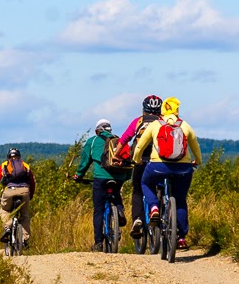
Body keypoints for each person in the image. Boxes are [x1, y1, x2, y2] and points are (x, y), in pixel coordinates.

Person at [132, 96, 202, 250]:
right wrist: (197, 161)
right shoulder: (185, 125)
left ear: (162, 110)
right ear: (177, 110)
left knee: (145, 183)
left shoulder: (156, 124)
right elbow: (195, 147)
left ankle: (154, 208)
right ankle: (181, 237)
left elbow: (140, 145)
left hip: (158, 166)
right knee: (181, 200)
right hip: (183, 168)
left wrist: (137, 159)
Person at [73, 119, 131, 252]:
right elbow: (128, 160)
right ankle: (119, 210)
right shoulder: (119, 140)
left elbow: (85, 161)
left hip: (101, 178)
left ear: (97, 130)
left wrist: (79, 175)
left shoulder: (93, 141)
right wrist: (126, 177)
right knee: (116, 194)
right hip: (119, 177)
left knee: (98, 210)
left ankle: (98, 243)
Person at [118, 94, 163, 238]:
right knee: (159, 187)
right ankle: (162, 213)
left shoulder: (138, 122)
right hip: (159, 161)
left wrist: (116, 155)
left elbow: (124, 139)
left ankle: (138, 218)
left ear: (144, 109)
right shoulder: (163, 122)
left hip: (141, 161)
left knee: (138, 190)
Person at [0, 147, 36, 247]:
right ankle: (25, 239)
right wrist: (30, 195)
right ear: (19, 156)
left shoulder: (4, 165)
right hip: (24, 191)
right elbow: (32, 182)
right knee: (24, 214)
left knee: (4, 210)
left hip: (9, 191)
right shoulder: (25, 165)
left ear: (8, 156)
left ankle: (8, 228)